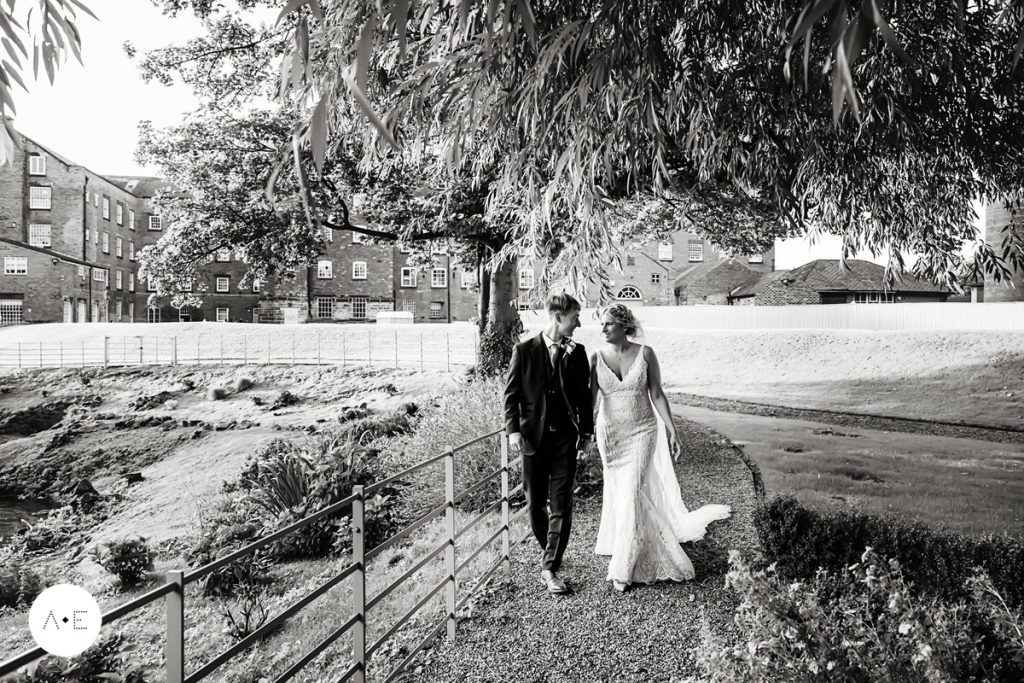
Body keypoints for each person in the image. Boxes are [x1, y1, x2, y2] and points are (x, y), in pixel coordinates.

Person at [590, 303, 730, 592]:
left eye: (608, 324)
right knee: (622, 492)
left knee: (631, 490)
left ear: (624, 326)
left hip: (642, 431)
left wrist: (672, 428)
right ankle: (632, 540)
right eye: (602, 324)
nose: (603, 329)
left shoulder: (646, 353)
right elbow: (590, 401)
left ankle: (623, 568)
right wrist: (583, 434)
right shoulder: (596, 358)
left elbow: (657, 393)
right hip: (610, 435)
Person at [504, 293, 594, 594]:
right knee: (534, 505)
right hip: (533, 439)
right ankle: (551, 550)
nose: (578, 324)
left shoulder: (578, 353)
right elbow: (511, 396)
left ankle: (550, 567)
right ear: (558, 317)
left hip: (565, 441)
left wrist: (586, 435)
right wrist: (513, 431)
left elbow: (584, 399)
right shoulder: (524, 350)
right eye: (574, 317)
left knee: (561, 505)